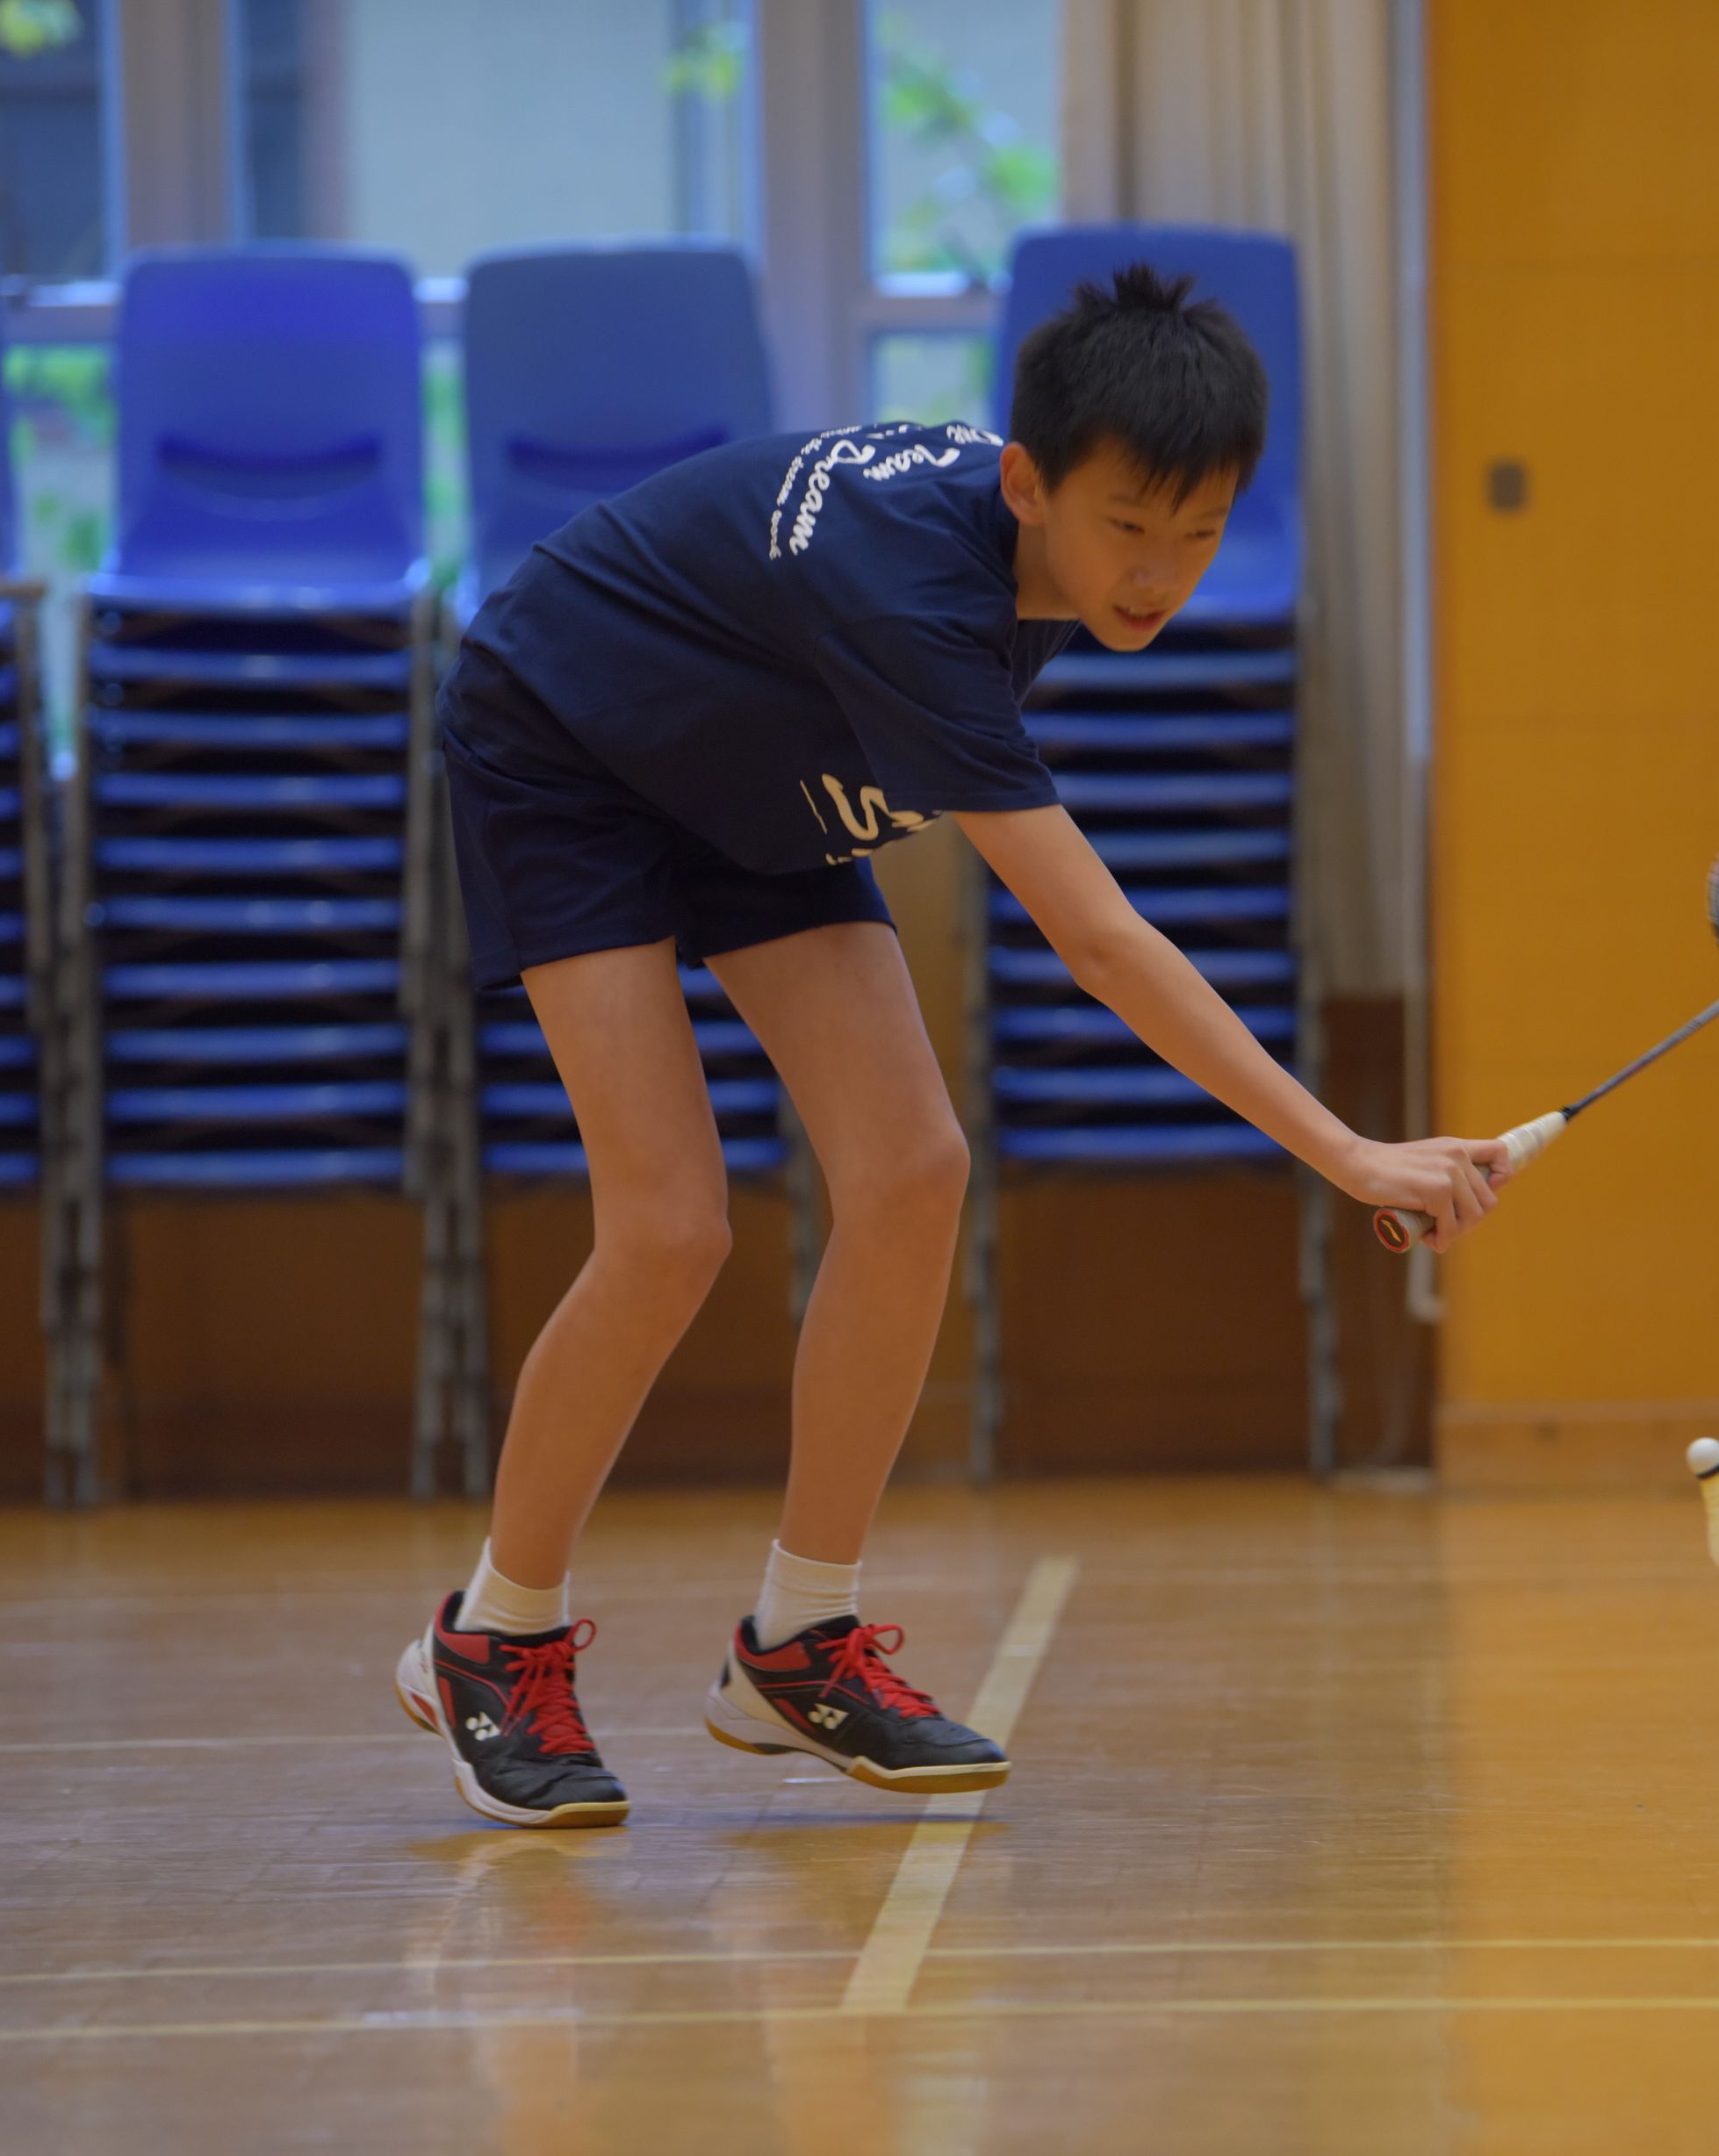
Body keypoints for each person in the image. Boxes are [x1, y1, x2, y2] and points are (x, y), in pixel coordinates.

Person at [394, 264, 1510, 1828]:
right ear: (1028, 481)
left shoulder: (1019, 572)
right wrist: (1345, 1146)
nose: (1159, 579)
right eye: (1129, 532)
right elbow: (1100, 939)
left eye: (1198, 537)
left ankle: (799, 1640)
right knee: (669, 1226)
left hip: (758, 749)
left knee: (913, 1171)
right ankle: (493, 1634)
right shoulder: (910, 600)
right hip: (569, 745)